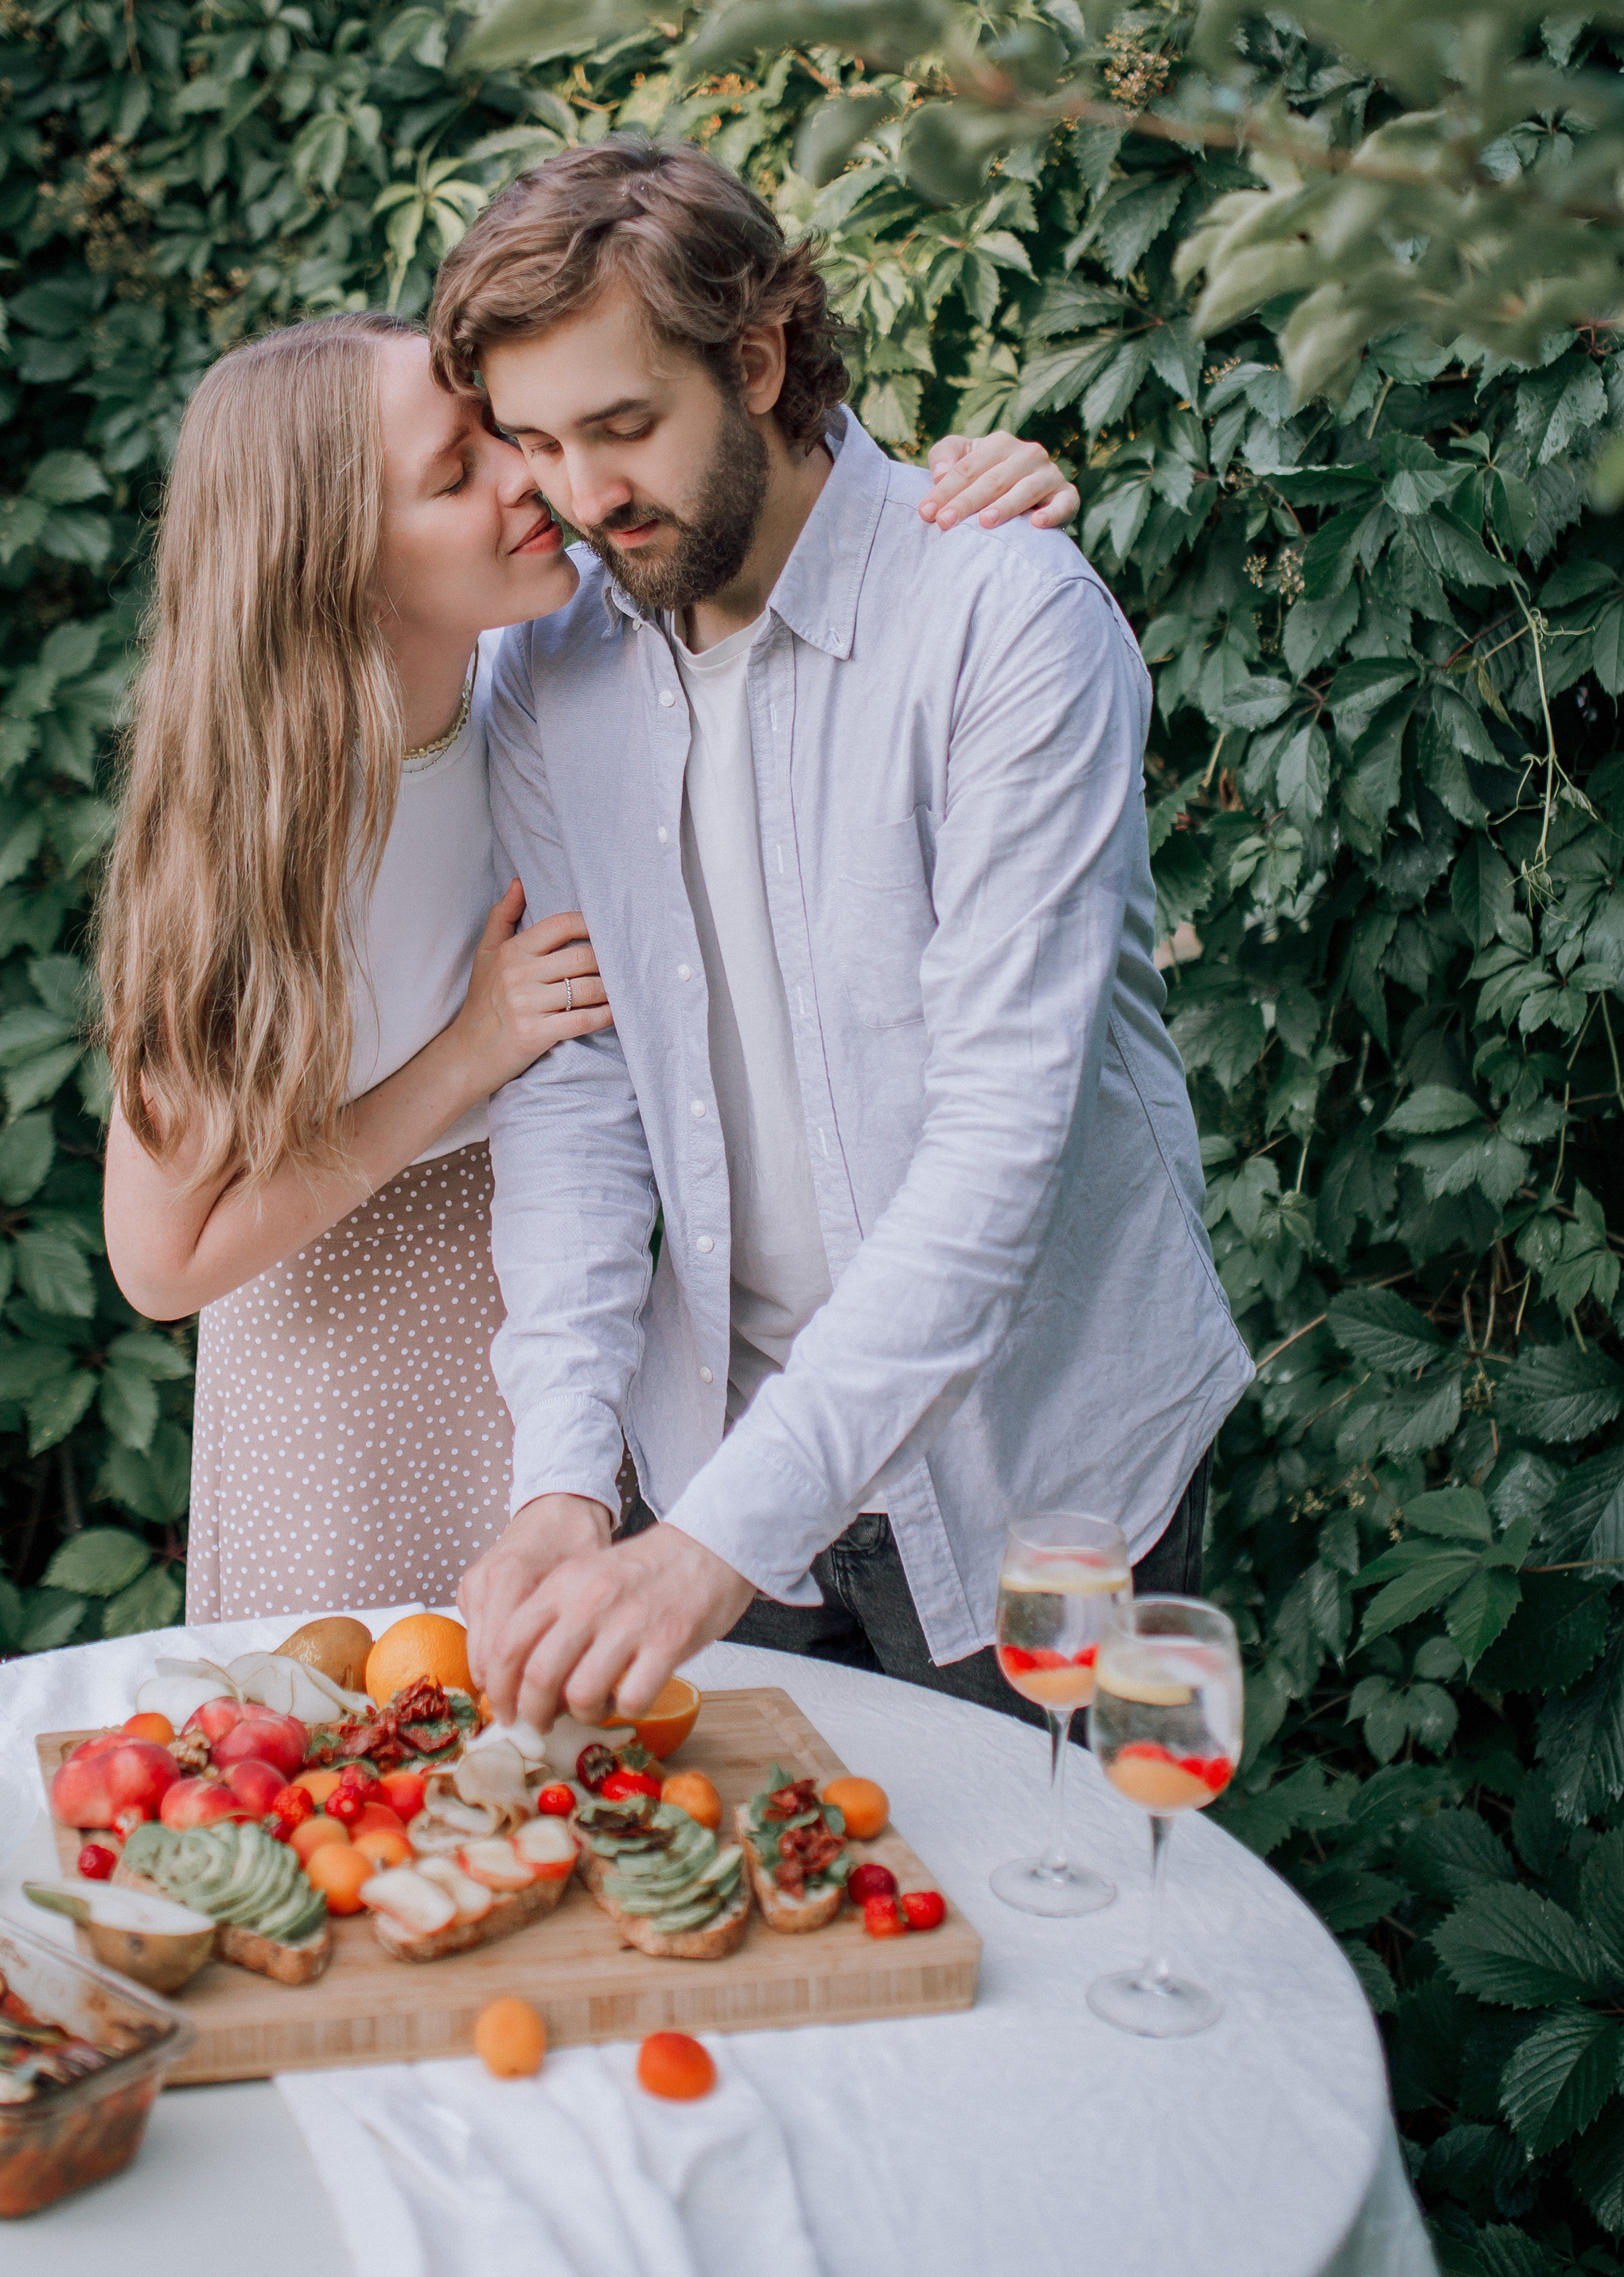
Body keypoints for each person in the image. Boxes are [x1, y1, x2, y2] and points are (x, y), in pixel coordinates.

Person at [438, 139, 1255, 1730]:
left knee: (1098, 1920)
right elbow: (574, 1090)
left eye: (621, 428)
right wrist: (562, 1479)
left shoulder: (1005, 616)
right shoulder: (548, 670)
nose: (581, 500)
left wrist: (708, 1549)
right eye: (535, 443)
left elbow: (995, 1149)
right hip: (718, 1471)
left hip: (1051, 1469)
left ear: (753, 360)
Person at [97, 308, 1080, 1618]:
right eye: (458, 475)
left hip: (551, 1292)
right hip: (341, 1338)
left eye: (500, 437)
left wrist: (958, 486)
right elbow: (160, 1260)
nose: (534, 480)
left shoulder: (535, 670)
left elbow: (750, 511)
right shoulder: (260, 840)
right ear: (335, 566)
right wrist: (463, 1058)